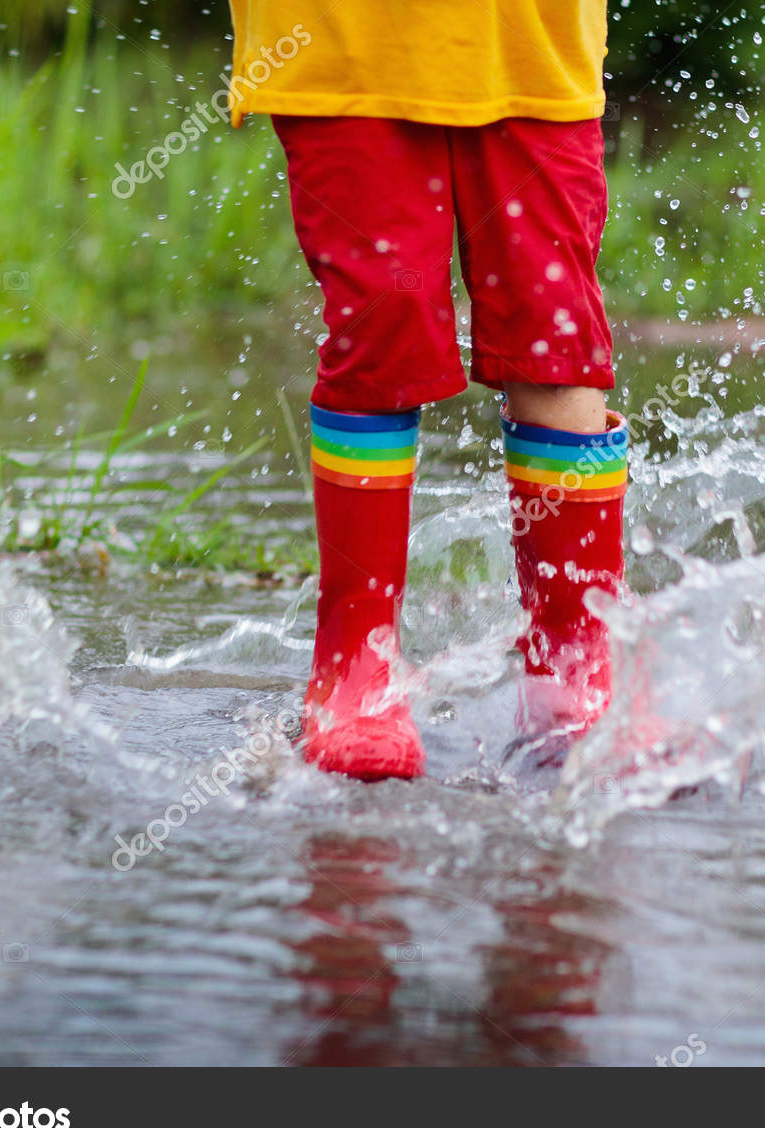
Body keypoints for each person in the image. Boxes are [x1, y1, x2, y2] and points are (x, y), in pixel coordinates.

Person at [227, 1, 626, 780]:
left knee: (556, 334)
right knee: (385, 312)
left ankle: (576, 665)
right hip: (344, 38)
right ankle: (356, 661)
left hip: (530, 41)